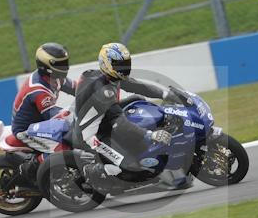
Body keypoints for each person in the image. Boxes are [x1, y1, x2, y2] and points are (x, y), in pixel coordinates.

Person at [72, 42, 191, 185]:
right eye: (119, 64)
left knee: (138, 100)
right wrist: (150, 134)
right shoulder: (103, 91)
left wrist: (166, 94)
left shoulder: (109, 76)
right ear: (106, 63)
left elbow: (139, 86)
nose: (124, 68)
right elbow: (119, 123)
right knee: (129, 167)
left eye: (125, 64)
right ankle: (91, 172)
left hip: (104, 118)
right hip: (92, 135)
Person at [8, 42, 76, 182]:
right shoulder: (38, 90)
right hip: (26, 130)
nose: (64, 67)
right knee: (62, 148)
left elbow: (78, 89)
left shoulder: (55, 78)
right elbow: (54, 115)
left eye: (65, 63)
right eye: (60, 64)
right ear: (47, 67)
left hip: (41, 122)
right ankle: (30, 169)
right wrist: (73, 112)